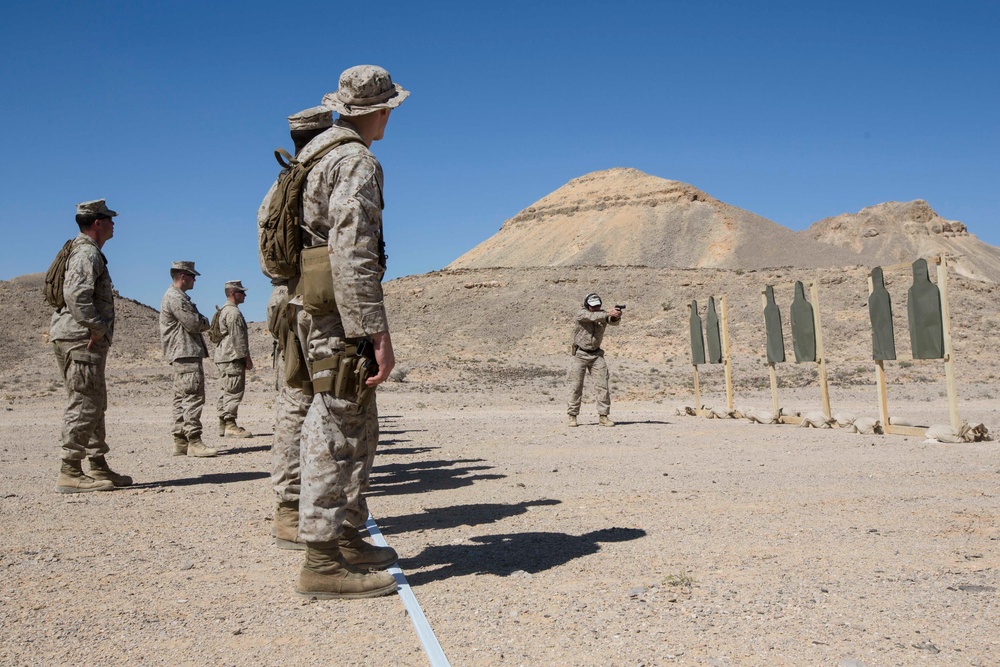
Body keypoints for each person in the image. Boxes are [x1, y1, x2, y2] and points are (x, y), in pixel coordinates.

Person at [293, 65, 409, 599]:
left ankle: (345, 537)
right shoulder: (356, 161)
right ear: (379, 110)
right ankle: (321, 560)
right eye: (389, 108)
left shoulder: (313, 154)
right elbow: (353, 253)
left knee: (352, 424)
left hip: (317, 307)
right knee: (337, 428)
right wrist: (374, 331)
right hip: (340, 316)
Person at [261, 105, 334, 551]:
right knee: (319, 399)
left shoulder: (279, 185)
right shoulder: (315, 180)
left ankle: (290, 508)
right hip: (312, 296)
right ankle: (299, 510)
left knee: (294, 399)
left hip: (284, 296)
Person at [50, 199, 133, 492]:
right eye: (109, 219)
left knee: (95, 400)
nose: (113, 223)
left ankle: (98, 466)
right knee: (84, 401)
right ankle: (70, 470)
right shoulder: (87, 253)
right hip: (80, 339)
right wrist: (97, 328)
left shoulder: (84, 251)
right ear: (97, 223)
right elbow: (75, 295)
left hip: (76, 337)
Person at [159, 261, 217, 457]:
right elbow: (193, 323)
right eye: (192, 276)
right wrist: (206, 321)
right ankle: (194, 440)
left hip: (182, 354)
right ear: (183, 276)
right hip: (186, 353)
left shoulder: (175, 296)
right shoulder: (176, 298)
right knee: (192, 397)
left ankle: (180, 441)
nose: (195, 280)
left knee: (181, 398)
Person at [566, 293, 622, 427]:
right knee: (575, 386)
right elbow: (591, 316)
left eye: (597, 306)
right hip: (580, 354)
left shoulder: (602, 314)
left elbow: (613, 322)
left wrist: (616, 316)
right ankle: (572, 415)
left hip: (597, 355)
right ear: (587, 305)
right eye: (592, 306)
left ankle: (603, 416)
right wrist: (608, 313)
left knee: (602, 386)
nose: (595, 308)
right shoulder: (582, 313)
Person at [214, 280, 254, 438]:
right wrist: (247, 358)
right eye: (241, 292)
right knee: (233, 391)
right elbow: (238, 338)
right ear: (233, 293)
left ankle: (223, 424)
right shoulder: (233, 312)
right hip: (232, 356)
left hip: (224, 356)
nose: (245, 295)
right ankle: (230, 424)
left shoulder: (225, 310)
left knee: (226, 390)